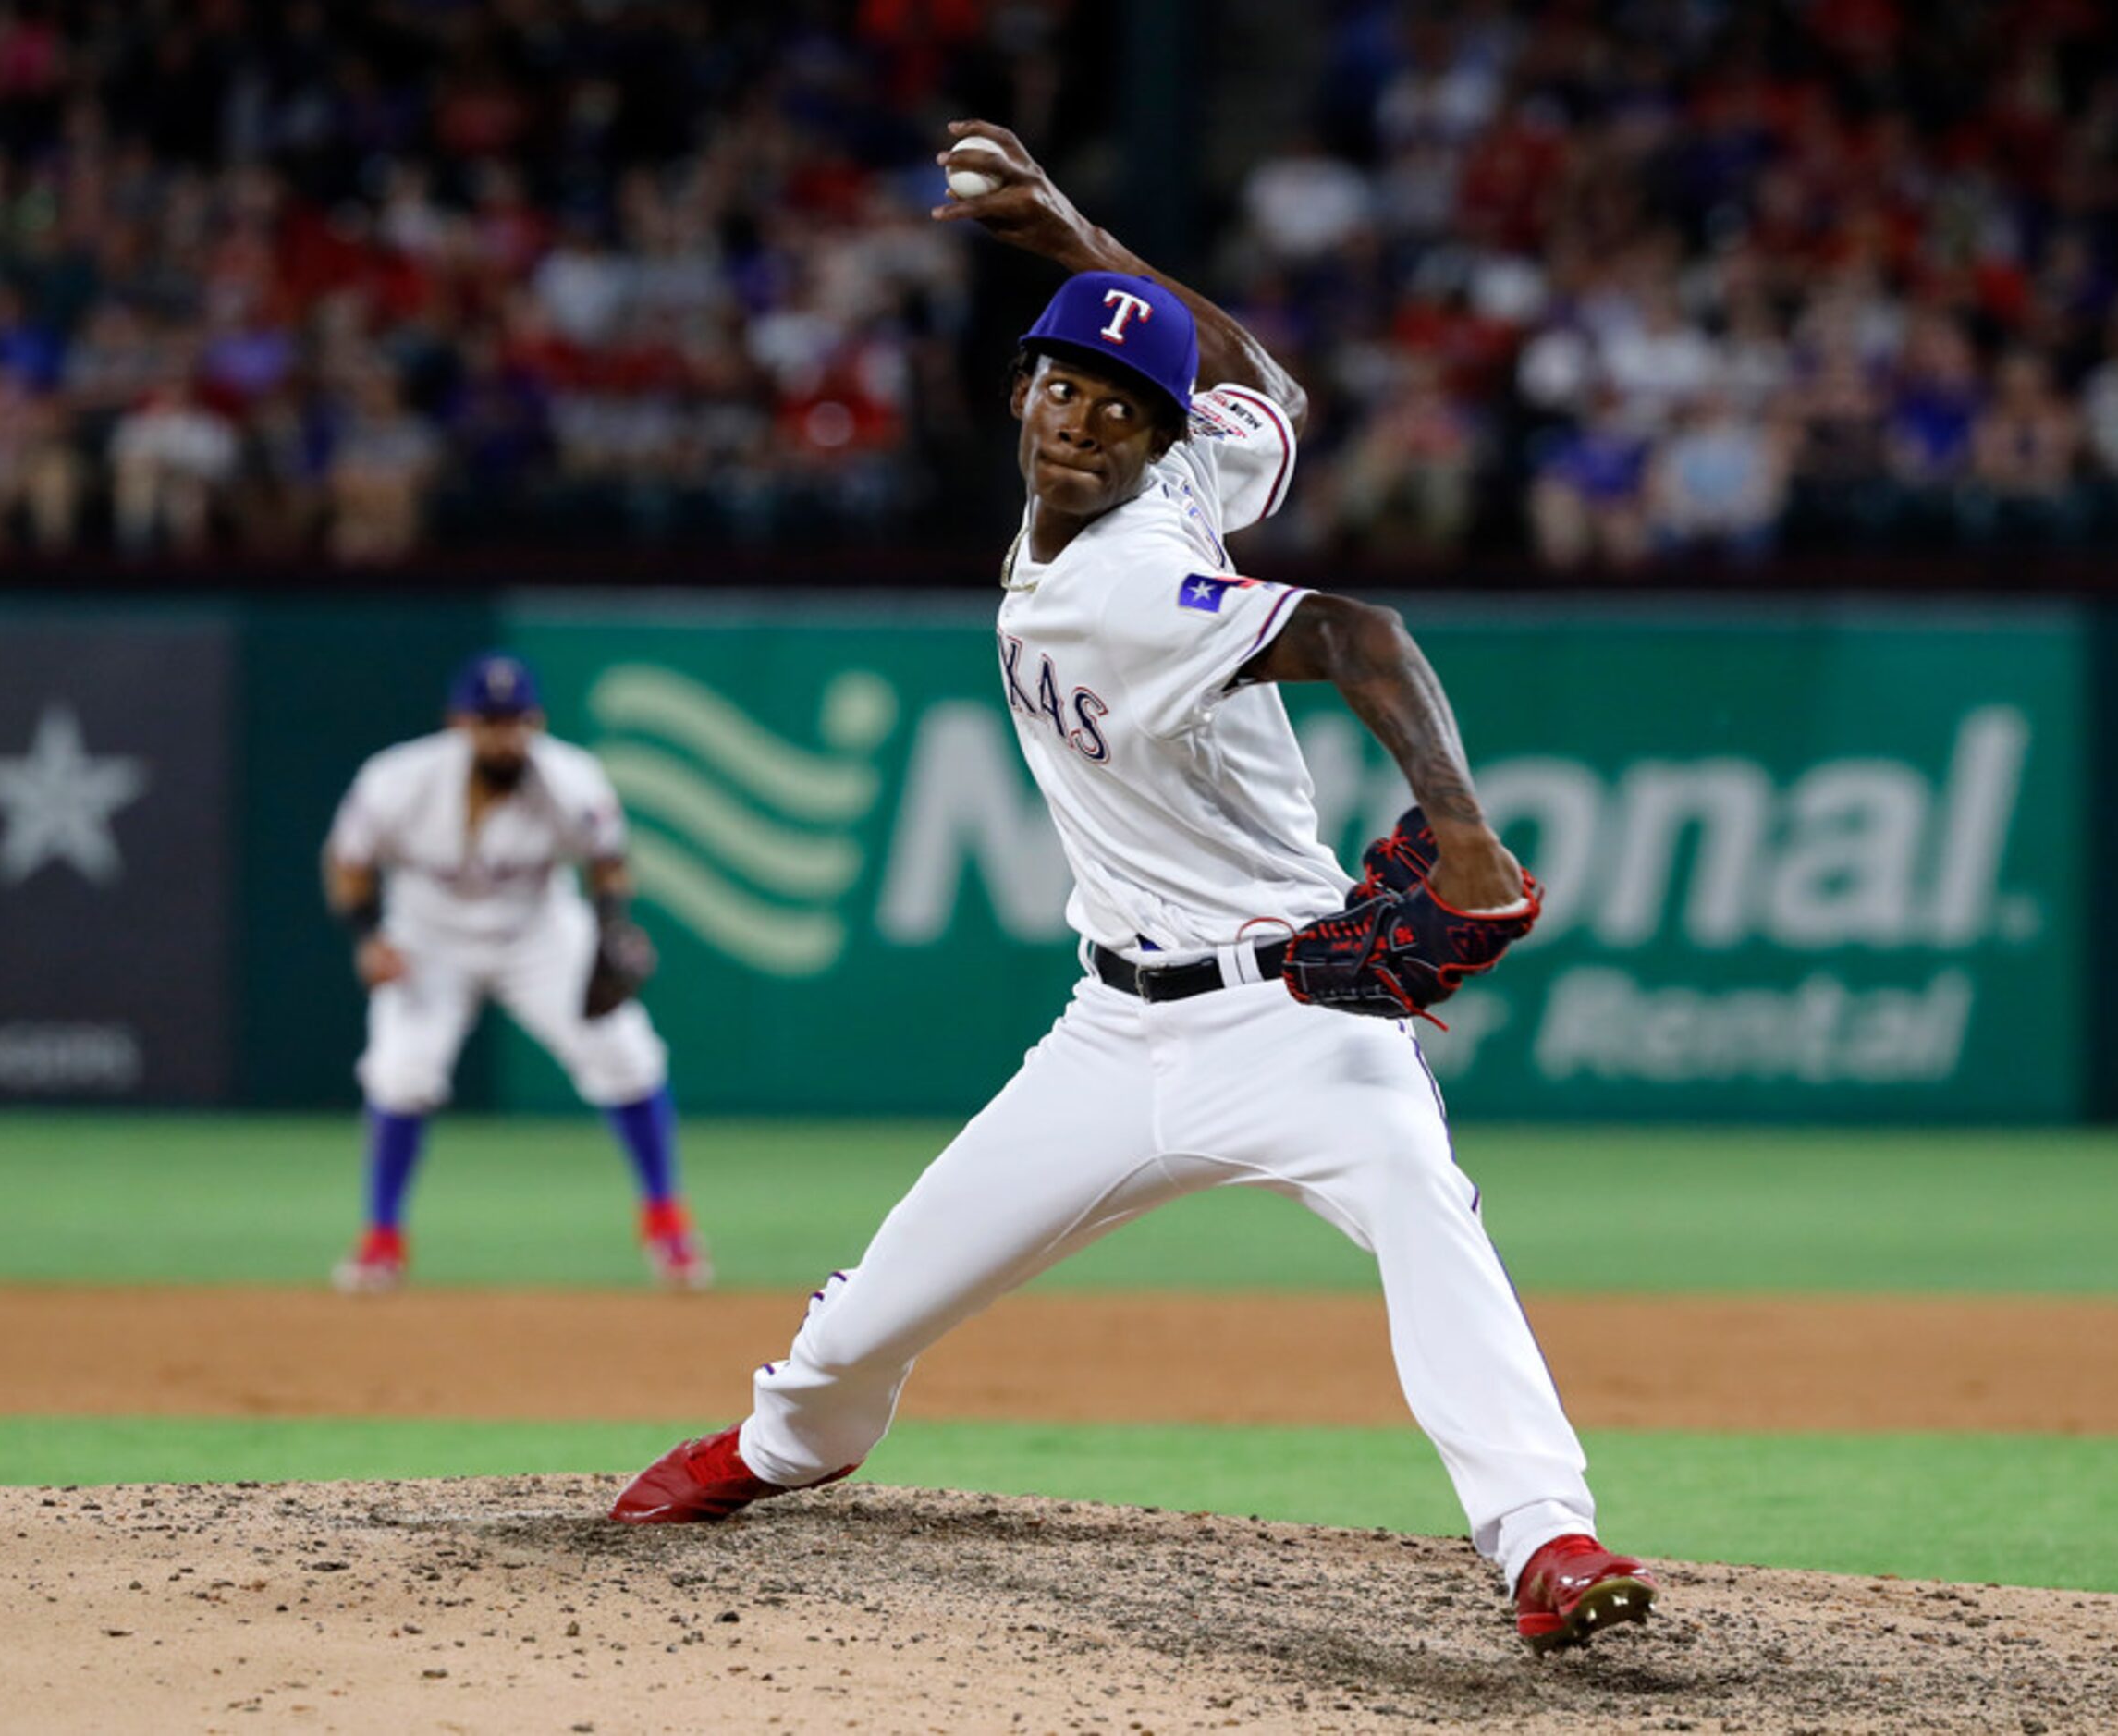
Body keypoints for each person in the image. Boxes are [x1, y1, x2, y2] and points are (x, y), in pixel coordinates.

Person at [609, 122, 1656, 1655]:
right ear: (1022, 389)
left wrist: (1467, 836)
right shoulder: (1187, 481)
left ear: (1156, 444)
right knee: (877, 1306)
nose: (1085, 422)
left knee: (1426, 1213)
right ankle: (786, 1444)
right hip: (1110, 1034)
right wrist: (1075, 235)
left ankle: (1542, 1536)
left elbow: (1362, 632)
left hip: (1297, 1012)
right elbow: (1265, 387)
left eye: (1122, 407)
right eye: (1066, 386)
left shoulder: (1128, 582)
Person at [323, 653, 708, 1293]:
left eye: (517, 720)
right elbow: (348, 861)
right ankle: (381, 1240)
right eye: (491, 721)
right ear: (458, 722)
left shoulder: (571, 778)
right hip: (426, 935)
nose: (506, 735)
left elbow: (608, 859)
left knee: (626, 1056)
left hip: (538, 933)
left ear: (536, 721)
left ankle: (668, 1227)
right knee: (400, 1074)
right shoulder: (397, 779)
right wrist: (367, 937)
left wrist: (610, 927)